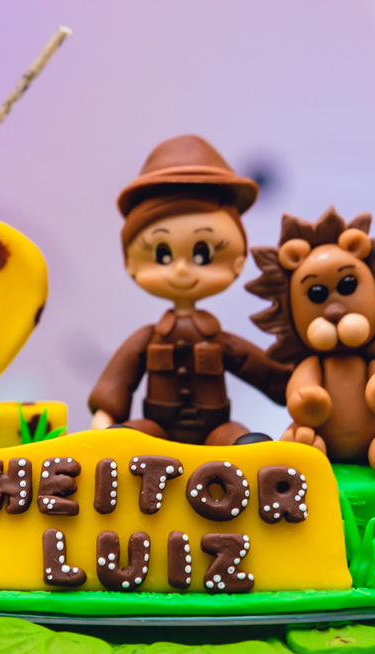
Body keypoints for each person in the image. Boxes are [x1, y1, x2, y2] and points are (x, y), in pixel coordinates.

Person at [88, 135, 291, 445]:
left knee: (241, 441)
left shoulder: (219, 340)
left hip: (215, 428)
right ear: (130, 262)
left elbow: (263, 371)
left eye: (202, 255)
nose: (181, 270)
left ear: (237, 261)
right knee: (127, 440)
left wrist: (299, 387)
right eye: (162, 255)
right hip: (158, 429)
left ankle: (248, 453)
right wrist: (106, 413)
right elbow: (120, 378)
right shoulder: (148, 338)